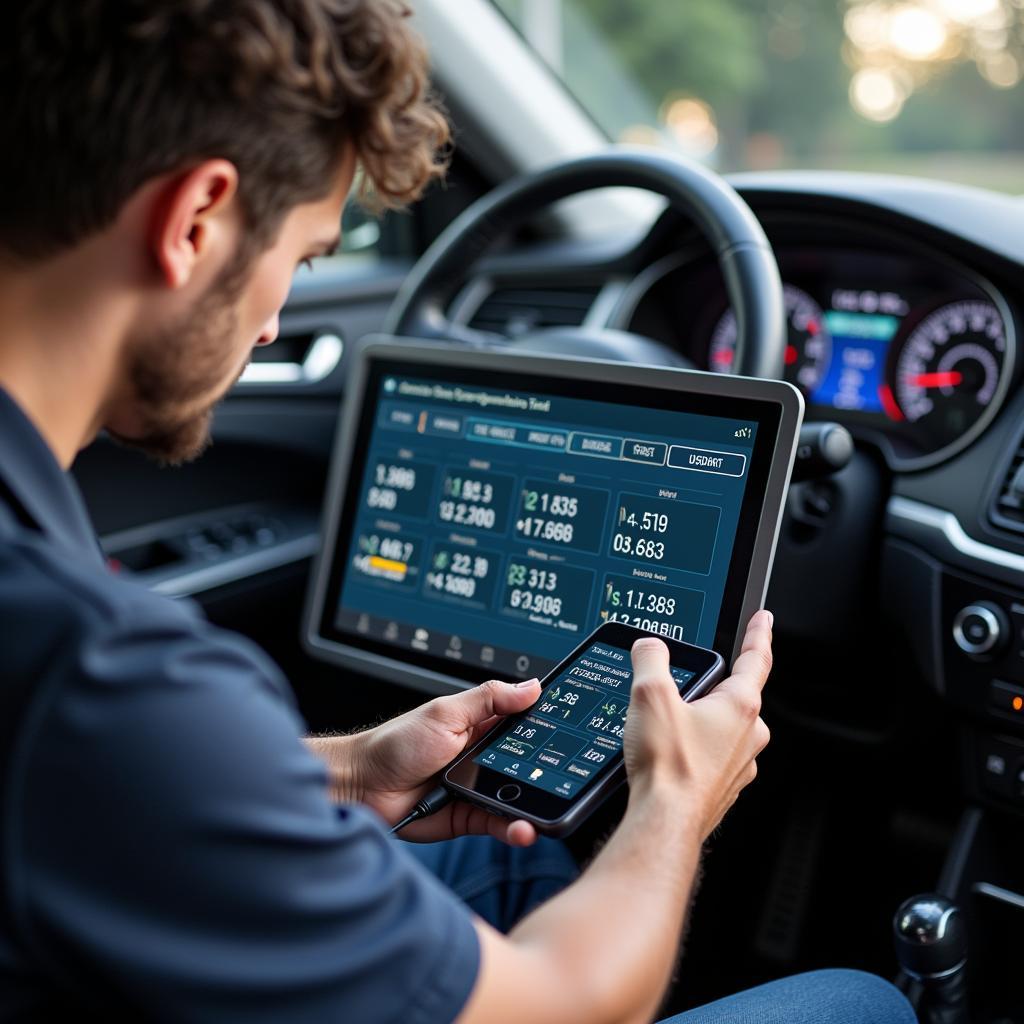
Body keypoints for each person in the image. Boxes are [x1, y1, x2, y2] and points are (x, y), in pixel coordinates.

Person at [0, 2, 915, 1021]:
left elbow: (98, 784)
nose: (270, 327)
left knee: (524, 873)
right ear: (196, 219)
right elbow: (561, 1001)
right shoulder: (96, 670)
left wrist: (347, 768)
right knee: (860, 999)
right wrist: (672, 801)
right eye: (303, 258)